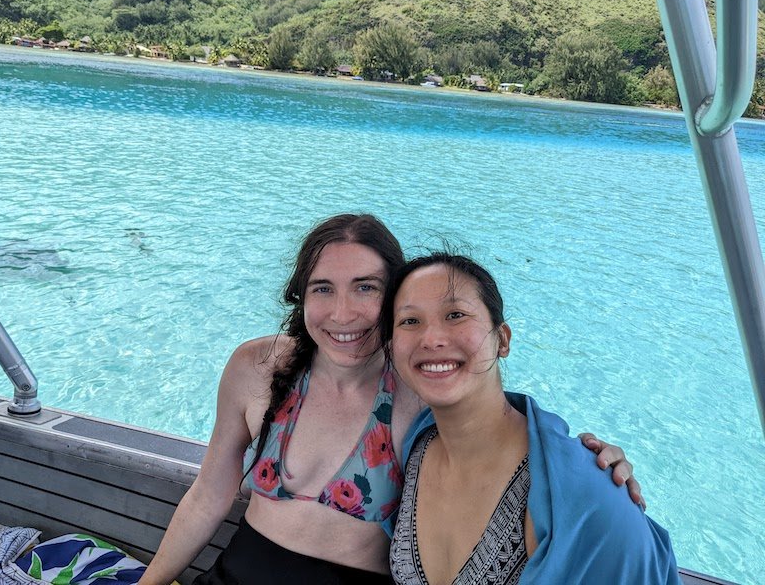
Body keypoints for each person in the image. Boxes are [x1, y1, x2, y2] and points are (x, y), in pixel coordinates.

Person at [139, 215, 641, 585]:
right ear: (302, 297)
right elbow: (209, 493)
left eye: (366, 288)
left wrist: (588, 463)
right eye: (323, 289)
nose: (343, 313)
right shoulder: (258, 369)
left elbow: (493, 423)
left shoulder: (419, 395)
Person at [382, 252, 679, 585]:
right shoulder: (417, 448)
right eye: (410, 321)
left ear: (503, 340)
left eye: (455, 314)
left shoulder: (587, 490)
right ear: (392, 348)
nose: (432, 338)